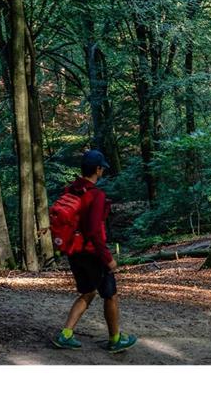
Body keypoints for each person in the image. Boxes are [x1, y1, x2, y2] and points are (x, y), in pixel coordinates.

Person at [52, 149, 137, 353]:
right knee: (111, 295)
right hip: (92, 253)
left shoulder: (70, 190)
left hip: (74, 252)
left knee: (88, 292)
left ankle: (65, 335)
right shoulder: (96, 195)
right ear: (97, 169)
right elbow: (93, 231)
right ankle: (115, 339)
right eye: (102, 168)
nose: (103, 172)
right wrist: (108, 259)